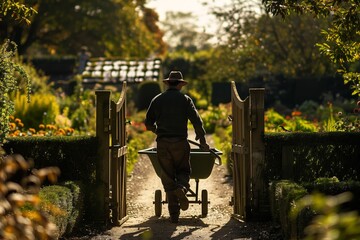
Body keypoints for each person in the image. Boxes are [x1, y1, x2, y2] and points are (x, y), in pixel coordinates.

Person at [145, 70, 210, 223]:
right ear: (180, 85)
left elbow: (148, 124)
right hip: (180, 143)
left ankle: (174, 215)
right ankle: (181, 187)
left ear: (167, 83)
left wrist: (157, 130)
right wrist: (202, 140)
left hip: (163, 143)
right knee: (183, 170)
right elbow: (196, 121)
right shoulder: (185, 100)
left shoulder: (157, 100)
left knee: (167, 176)